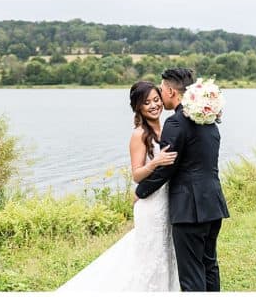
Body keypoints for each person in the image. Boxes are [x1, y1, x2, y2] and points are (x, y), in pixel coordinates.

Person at [58, 81, 180, 292]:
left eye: (156, 100)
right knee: (150, 256)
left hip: (168, 200)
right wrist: (155, 162)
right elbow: (136, 175)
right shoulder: (139, 134)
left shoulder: (169, 127)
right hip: (150, 205)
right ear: (138, 107)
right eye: (147, 102)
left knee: (168, 253)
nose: (153, 105)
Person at [136, 68, 230, 292]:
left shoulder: (175, 123)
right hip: (213, 202)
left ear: (169, 91)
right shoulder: (209, 121)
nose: (160, 93)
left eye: (161, 89)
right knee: (209, 265)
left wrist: (140, 191)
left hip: (189, 209)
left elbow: (166, 169)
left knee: (191, 275)